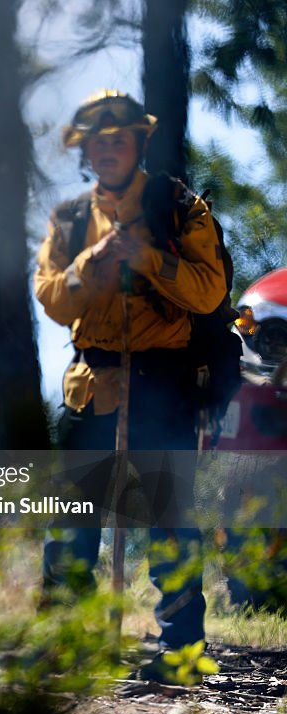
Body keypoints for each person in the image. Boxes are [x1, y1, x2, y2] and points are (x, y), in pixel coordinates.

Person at [34, 91, 225, 664]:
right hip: (93, 384)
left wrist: (146, 259)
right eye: (99, 140)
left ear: (139, 141)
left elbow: (209, 290)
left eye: (121, 138)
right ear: (85, 151)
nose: (109, 148)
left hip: (162, 385)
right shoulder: (69, 220)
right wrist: (94, 265)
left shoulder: (178, 208)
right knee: (70, 524)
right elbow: (51, 301)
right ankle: (68, 646)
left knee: (169, 523)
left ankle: (181, 651)